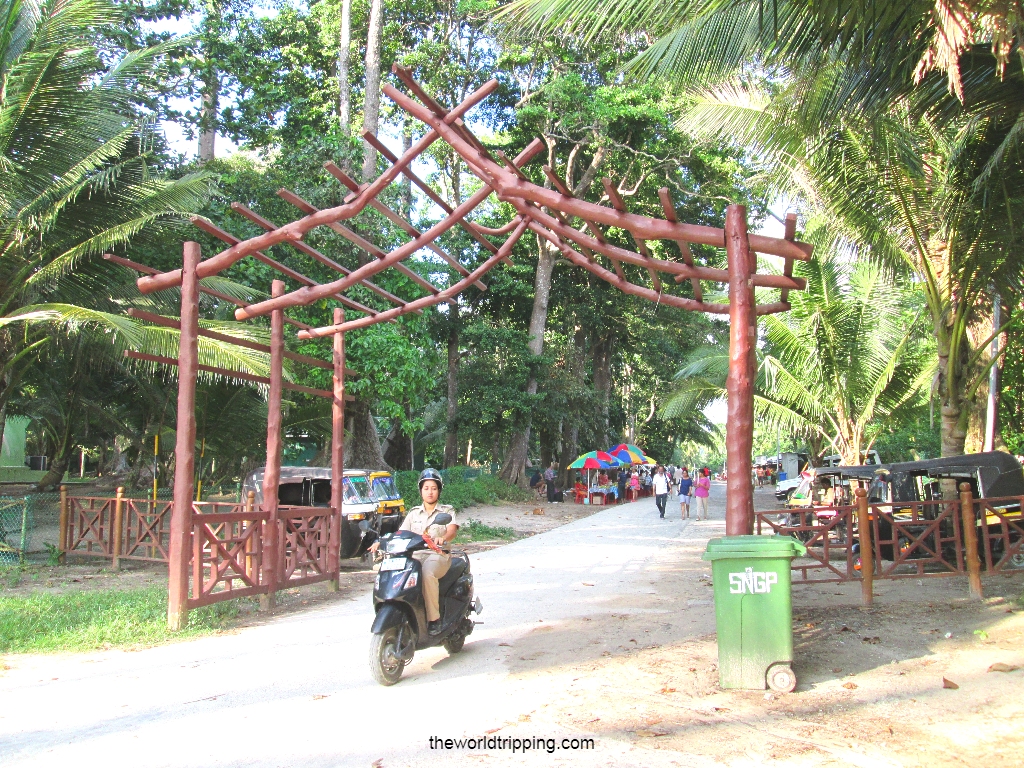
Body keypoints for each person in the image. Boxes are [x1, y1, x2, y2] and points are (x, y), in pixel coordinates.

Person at [370, 468, 458, 634]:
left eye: (433, 488)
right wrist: (381, 541)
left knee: (426, 574)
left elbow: (452, 530)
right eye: (426, 488)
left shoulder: (447, 511)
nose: (430, 492)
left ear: (439, 490)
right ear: (421, 491)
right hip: (414, 556)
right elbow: (401, 534)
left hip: (437, 555)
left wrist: (443, 538)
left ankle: (434, 620)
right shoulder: (413, 513)